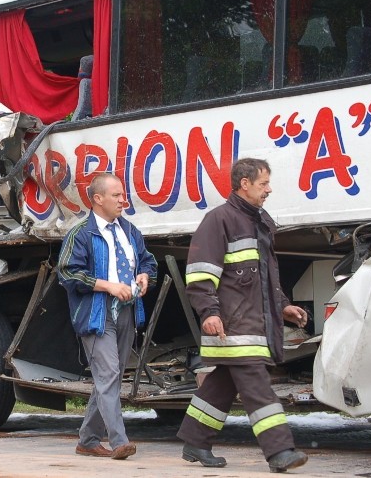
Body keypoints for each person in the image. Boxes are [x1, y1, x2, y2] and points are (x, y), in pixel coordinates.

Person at [176, 158, 309, 473]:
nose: (269, 189)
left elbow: (265, 278)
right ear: (244, 183)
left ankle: (196, 440)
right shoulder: (218, 220)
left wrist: (283, 305)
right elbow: (199, 275)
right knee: (256, 384)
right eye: (263, 184)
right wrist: (209, 312)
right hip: (232, 324)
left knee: (222, 381)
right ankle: (280, 451)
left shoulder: (259, 221)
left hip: (249, 323)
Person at [58, 173, 157, 460]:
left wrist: (144, 275)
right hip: (96, 314)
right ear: (97, 199)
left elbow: (148, 261)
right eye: (116, 195)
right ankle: (119, 441)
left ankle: (88, 440)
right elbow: (67, 273)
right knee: (109, 374)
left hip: (127, 311)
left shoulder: (129, 230)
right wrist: (108, 286)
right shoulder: (81, 234)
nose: (123, 200)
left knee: (107, 377)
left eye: (122, 194)